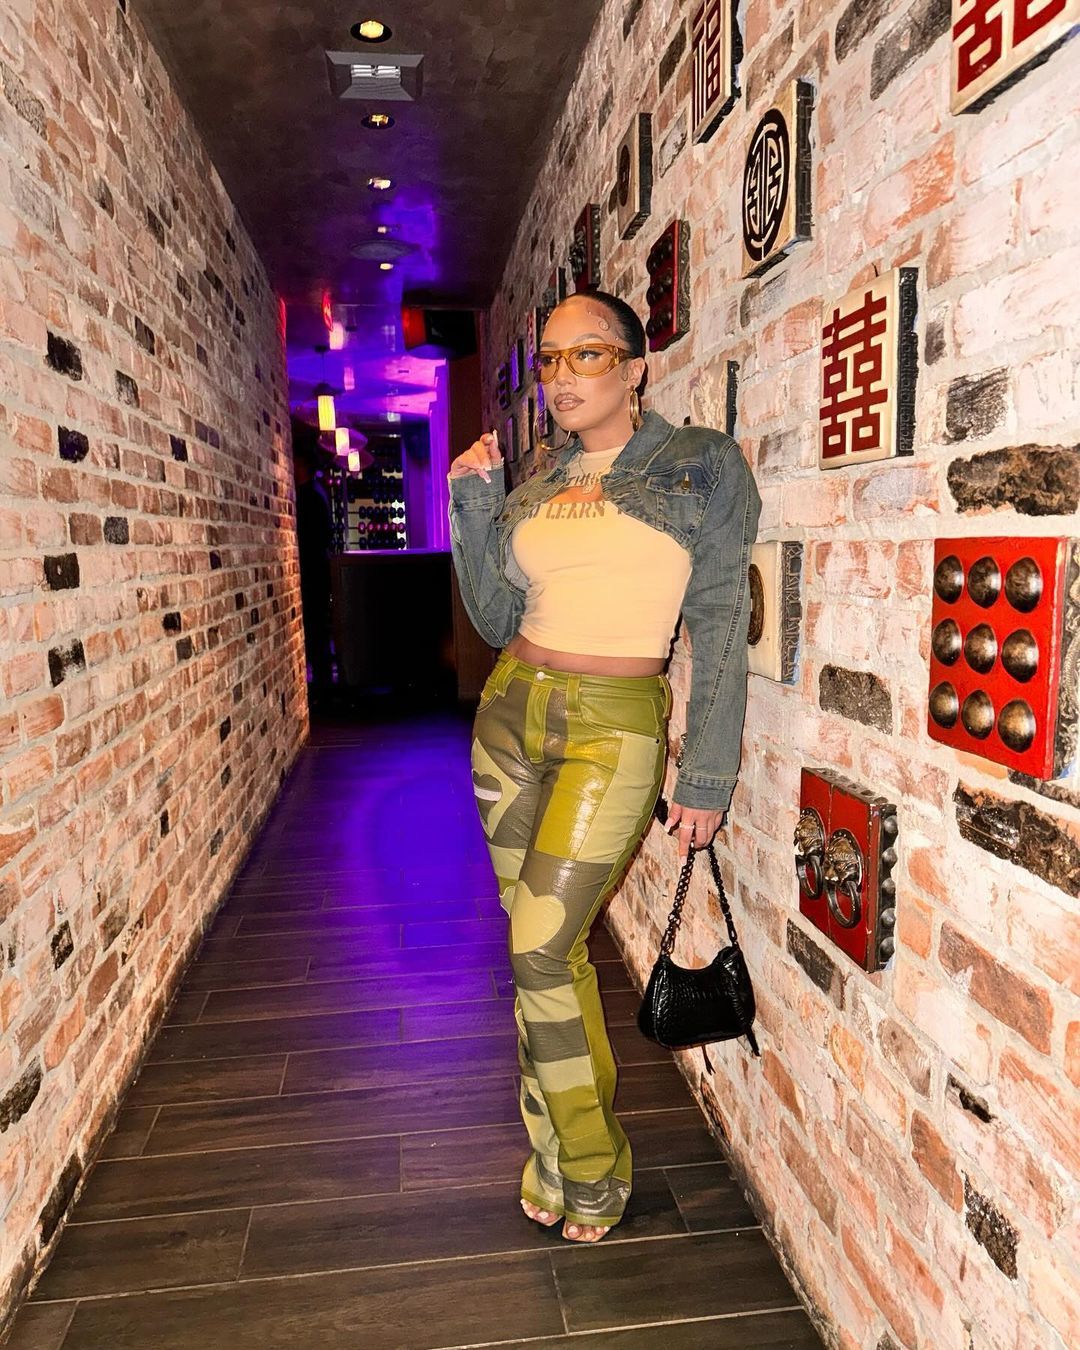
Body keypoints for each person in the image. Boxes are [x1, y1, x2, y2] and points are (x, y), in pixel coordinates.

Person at [447, 290, 761, 1243]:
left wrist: (706, 775)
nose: (561, 376)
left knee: (541, 949)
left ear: (634, 367)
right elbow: (493, 619)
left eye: (586, 354)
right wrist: (473, 502)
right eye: (550, 359)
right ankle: (553, 1152)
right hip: (510, 715)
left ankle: (589, 1166)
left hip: (613, 728)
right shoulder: (539, 478)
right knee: (536, 953)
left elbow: (720, 618)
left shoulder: (701, 463)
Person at [291, 426, 335, 706]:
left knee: (316, 629)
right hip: (317, 570)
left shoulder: (309, 497)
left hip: (313, 572)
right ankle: (322, 685)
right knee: (318, 629)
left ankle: (321, 688)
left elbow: (316, 537)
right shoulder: (315, 493)